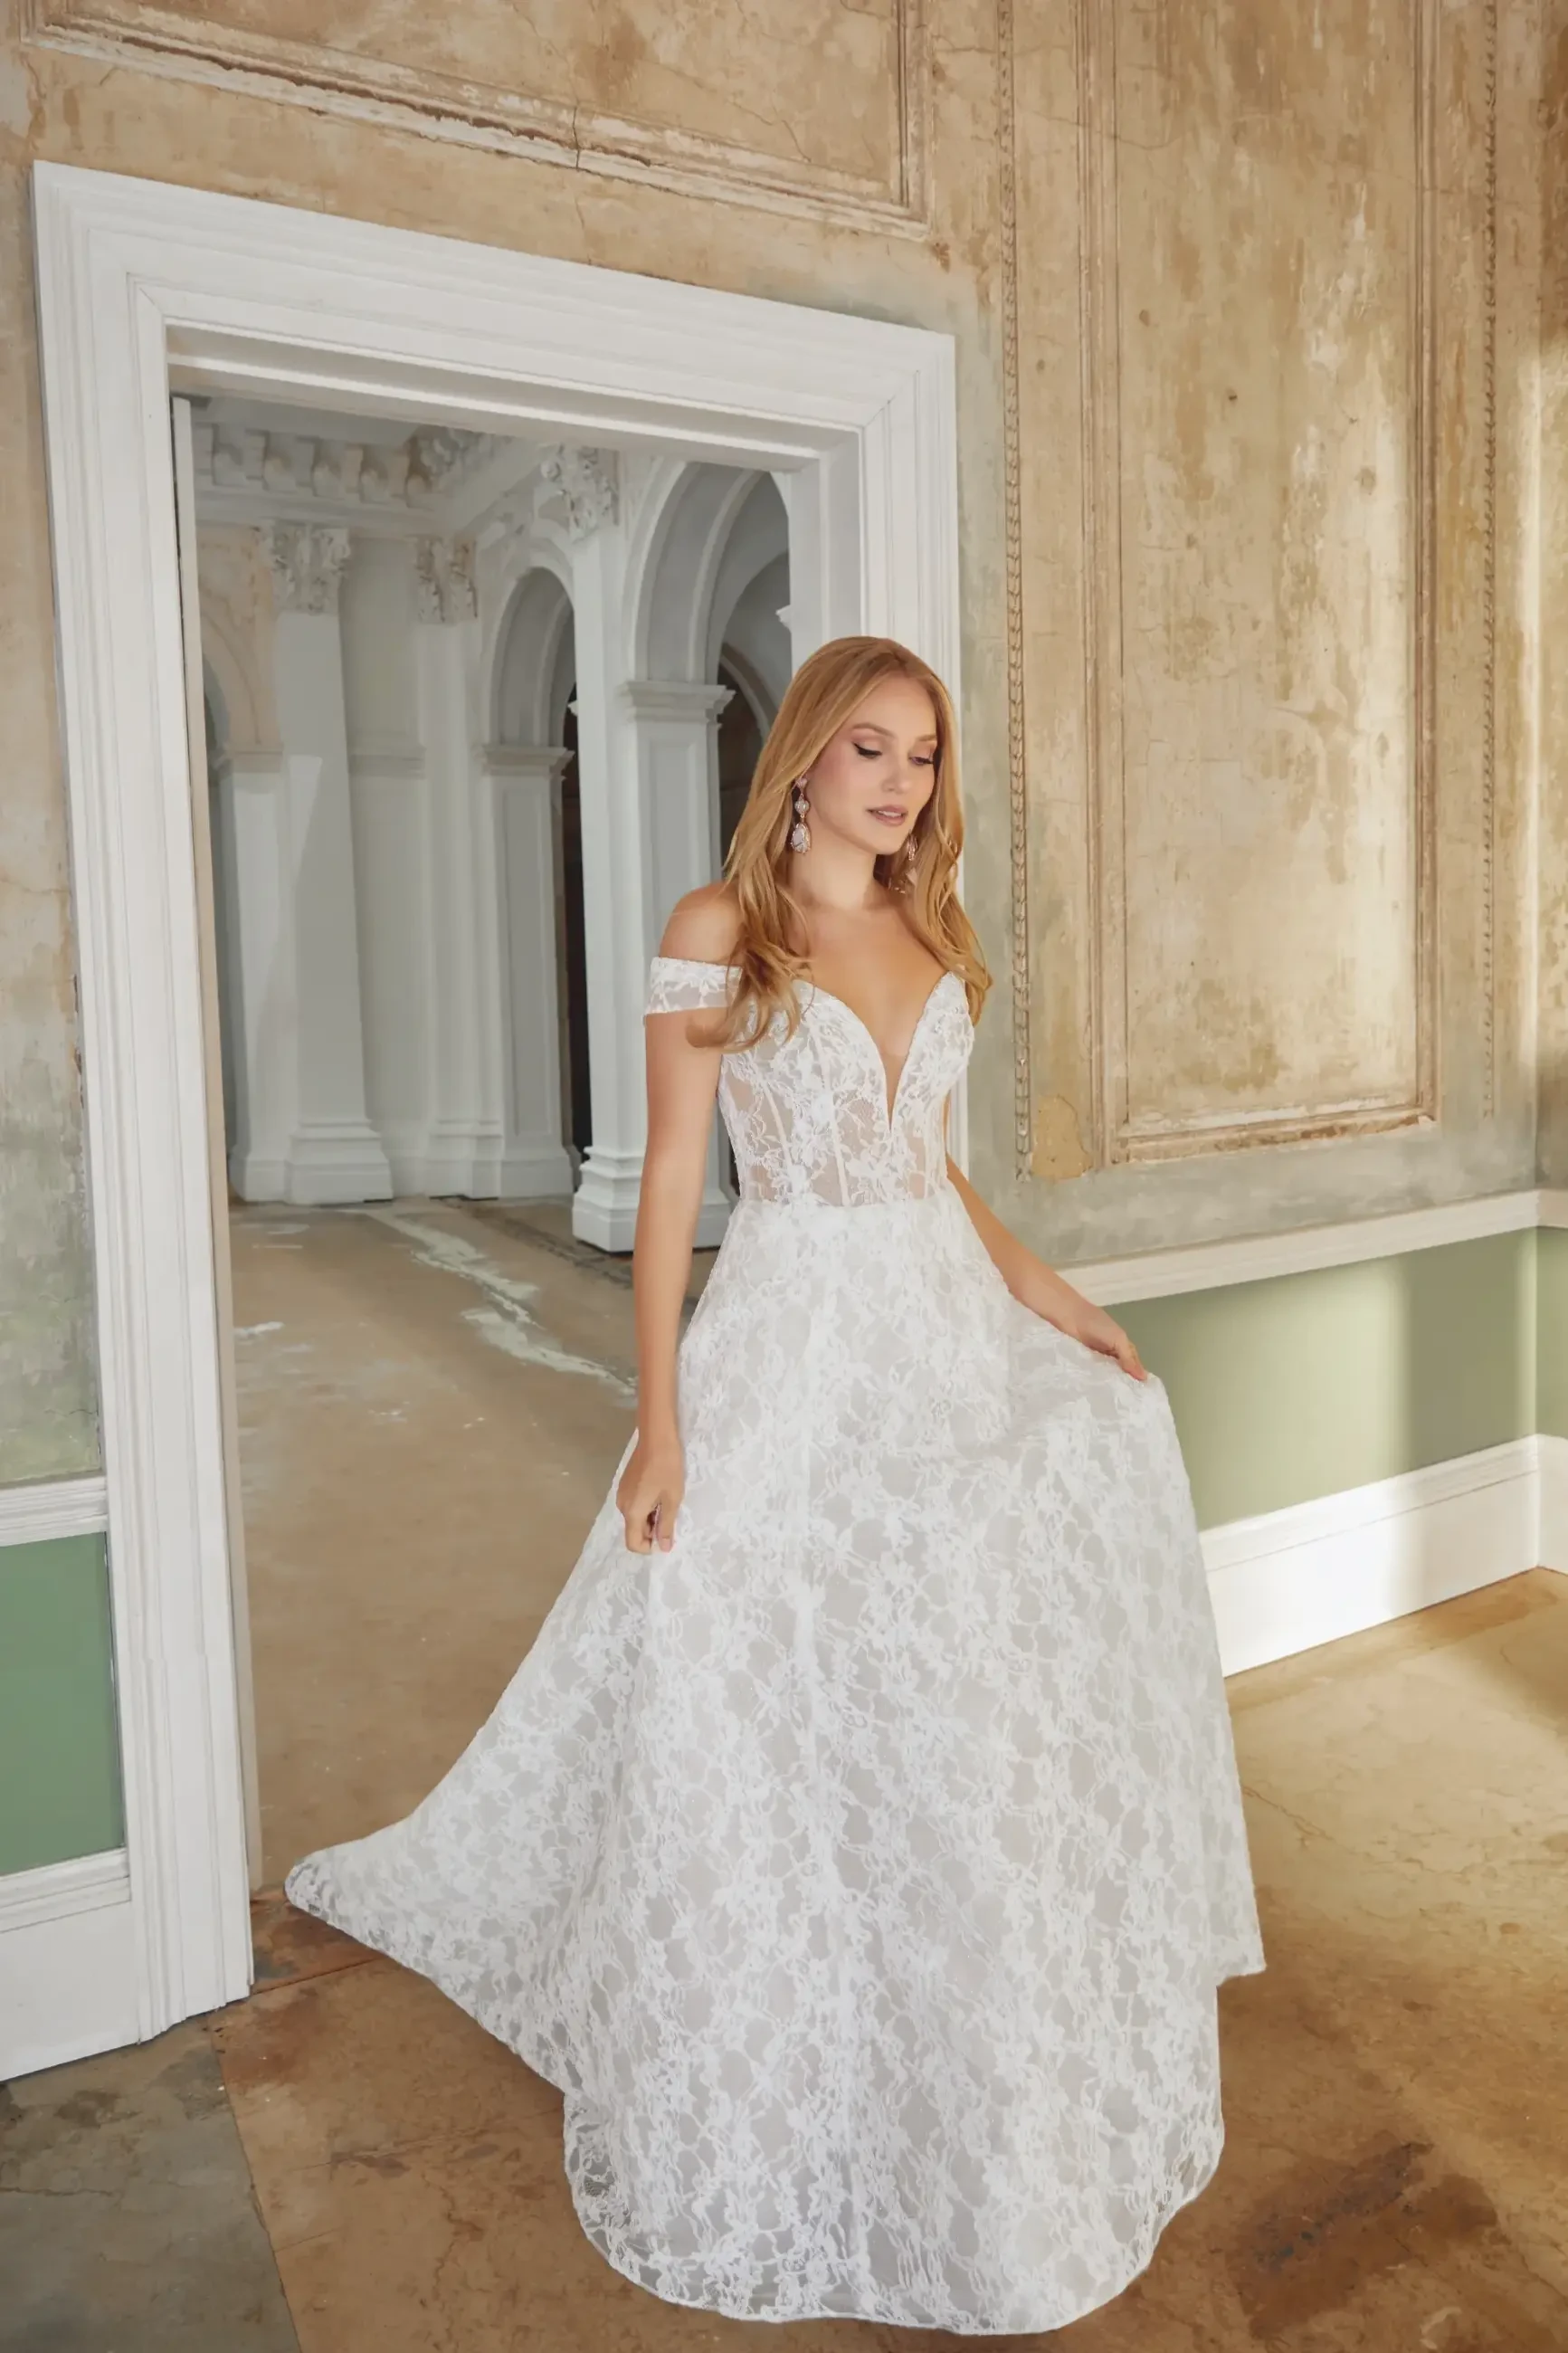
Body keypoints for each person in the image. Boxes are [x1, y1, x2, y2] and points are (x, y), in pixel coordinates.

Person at [285, 634, 1266, 2335]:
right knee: (769, 1671)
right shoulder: (714, 933)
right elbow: (674, 1188)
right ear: (802, 758)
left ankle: (967, 2030)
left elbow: (932, 1166)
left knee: (991, 1612)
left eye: (925, 759)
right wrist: (659, 1427)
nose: (902, 785)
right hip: (796, 1338)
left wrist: (1052, 1291)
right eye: (872, 750)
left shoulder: (935, 926)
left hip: (942, 1325)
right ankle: (787, 2028)